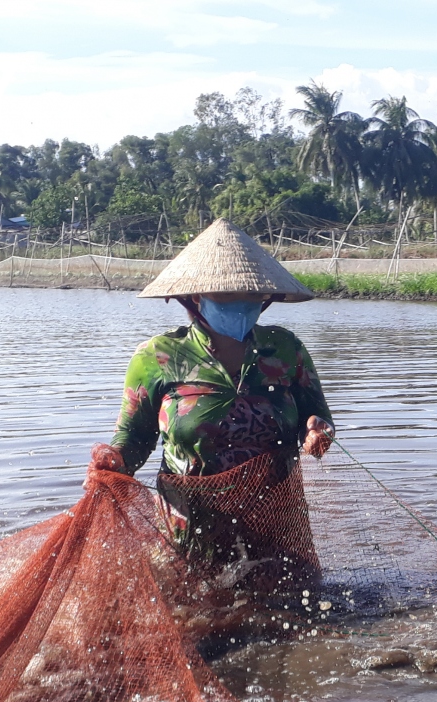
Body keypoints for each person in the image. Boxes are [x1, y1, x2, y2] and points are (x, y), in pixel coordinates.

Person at [105, 218, 335, 597]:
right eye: (228, 297)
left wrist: (316, 434)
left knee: (287, 607)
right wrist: (114, 460)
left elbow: (318, 418)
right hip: (191, 520)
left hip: (274, 514)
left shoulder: (285, 350)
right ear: (198, 298)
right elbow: (134, 437)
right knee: (199, 611)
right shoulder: (158, 357)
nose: (242, 305)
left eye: (251, 296)